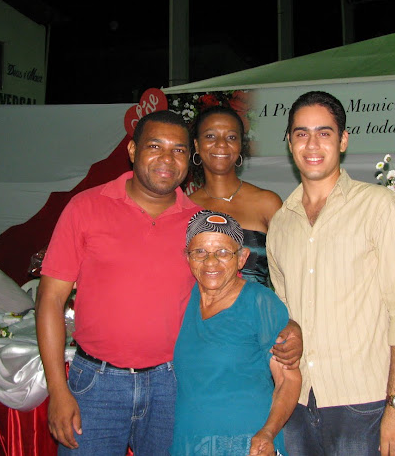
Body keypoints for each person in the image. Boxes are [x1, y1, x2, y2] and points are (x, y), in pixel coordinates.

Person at [35, 110, 302, 455]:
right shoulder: (85, 207)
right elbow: (49, 301)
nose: (167, 158)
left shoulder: (197, 224)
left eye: (178, 150)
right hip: (96, 385)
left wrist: (286, 324)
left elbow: (240, 290)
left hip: (172, 385)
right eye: (155, 146)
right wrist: (58, 389)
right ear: (132, 150)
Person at [266, 91, 395, 456]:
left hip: (365, 403)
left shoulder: (380, 207)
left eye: (324, 133)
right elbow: (284, 317)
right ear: (289, 142)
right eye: (301, 133)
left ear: (343, 140)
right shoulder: (280, 223)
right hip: (297, 400)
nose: (312, 144)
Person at [171, 210, 301, 455]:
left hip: (248, 442)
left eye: (222, 252)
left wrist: (268, 433)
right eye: (200, 252)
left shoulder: (259, 301)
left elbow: (288, 379)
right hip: (189, 441)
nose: (210, 262)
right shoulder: (183, 302)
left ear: (242, 258)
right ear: (187, 257)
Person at [188, 105, 282, 287]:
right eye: (210, 136)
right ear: (197, 145)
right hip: (202, 315)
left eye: (231, 137)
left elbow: (291, 272)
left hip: (258, 313)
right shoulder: (186, 208)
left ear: (240, 146)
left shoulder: (267, 203)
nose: (221, 144)